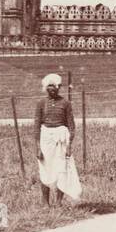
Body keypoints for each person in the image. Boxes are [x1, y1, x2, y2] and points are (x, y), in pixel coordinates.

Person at [34, 73, 79, 205]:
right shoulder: (41, 103)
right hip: (45, 139)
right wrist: (38, 147)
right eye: (50, 86)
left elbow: (71, 125)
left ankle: (59, 202)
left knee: (62, 169)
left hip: (61, 139)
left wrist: (69, 145)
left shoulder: (65, 103)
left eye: (56, 86)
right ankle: (45, 202)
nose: (54, 89)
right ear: (46, 88)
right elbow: (36, 126)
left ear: (59, 87)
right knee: (45, 169)